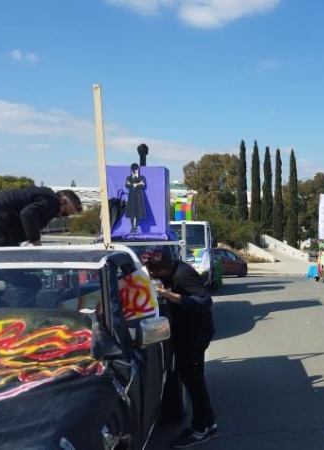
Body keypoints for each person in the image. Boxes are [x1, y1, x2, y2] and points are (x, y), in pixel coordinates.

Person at [140, 249, 218, 448]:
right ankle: (209, 424)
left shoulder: (184, 275)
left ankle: (201, 429)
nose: (151, 276)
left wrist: (170, 295)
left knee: (194, 381)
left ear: (163, 270)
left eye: (153, 273)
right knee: (188, 378)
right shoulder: (168, 271)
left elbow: (204, 301)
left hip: (195, 335)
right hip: (184, 334)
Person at [0, 187, 82, 247]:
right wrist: (36, 242)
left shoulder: (42, 196)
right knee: (13, 267)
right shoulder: (52, 201)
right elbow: (28, 214)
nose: (60, 217)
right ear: (63, 200)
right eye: (64, 213)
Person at [125, 163, 147, 233]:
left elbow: (143, 184)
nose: (135, 170)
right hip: (131, 195)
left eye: (136, 169)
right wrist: (136, 184)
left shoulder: (142, 177)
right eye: (134, 169)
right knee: (131, 212)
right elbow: (126, 184)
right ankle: (132, 226)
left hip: (138, 196)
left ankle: (136, 226)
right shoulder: (129, 177)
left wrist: (134, 184)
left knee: (137, 212)